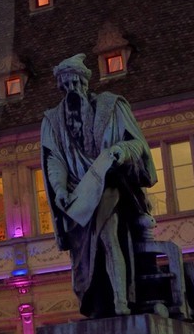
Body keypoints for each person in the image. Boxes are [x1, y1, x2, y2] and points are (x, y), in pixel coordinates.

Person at [40, 54, 155, 317]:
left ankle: (121, 301)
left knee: (108, 237)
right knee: (85, 258)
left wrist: (120, 151)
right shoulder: (53, 120)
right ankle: (101, 303)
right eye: (65, 86)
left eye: (75, 84)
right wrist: (58, 188)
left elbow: (138, 144)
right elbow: (54, 158)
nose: (71, 91)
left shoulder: (112, 106)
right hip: (79, 198)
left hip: (110, 186)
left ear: (84, 83)